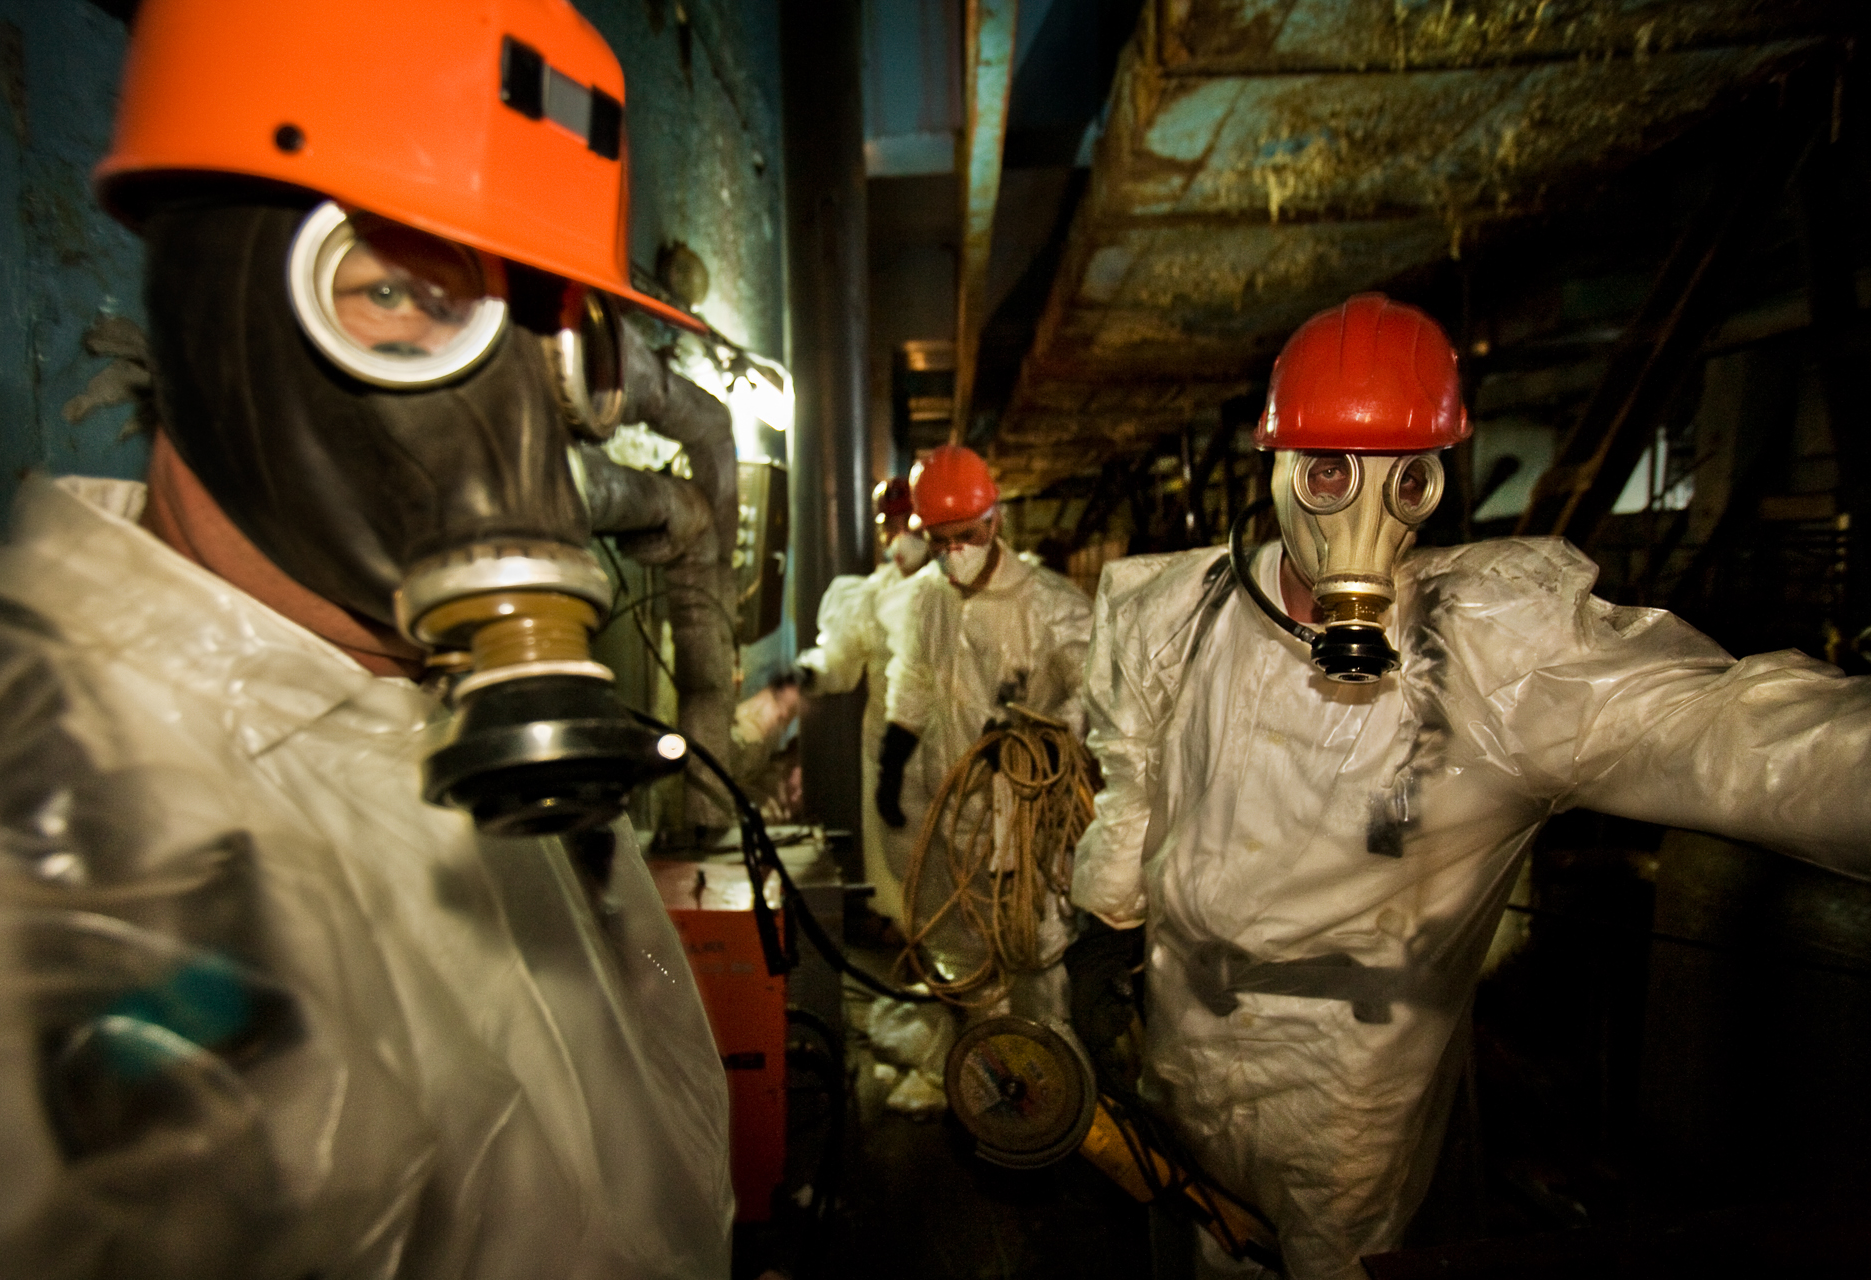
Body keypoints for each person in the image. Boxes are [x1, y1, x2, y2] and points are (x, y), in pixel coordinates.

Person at [0, 2, 733, 1276]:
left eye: (557, 347)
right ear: (213, 309)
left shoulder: (463, 723)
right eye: (396, 294)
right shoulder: (47, 832)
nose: (506, 431)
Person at [1071, 292, 1871, 1279]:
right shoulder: (1177, 611)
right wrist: (1105, 919)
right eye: (1327, 471)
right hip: (1179, 1036)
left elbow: (1738, 736)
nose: (1358, 516)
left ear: (1435, 482)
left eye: (1402, 480)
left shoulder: (1496, 648)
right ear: (1272, 463)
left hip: (1351, 1087)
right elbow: (1131, 769)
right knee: (1200, 1246)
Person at [879, 445, 1093, 1016]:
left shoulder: (1048, 605)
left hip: (1024, 813)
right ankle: (985, 1076)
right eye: (941, 538)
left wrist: (1043, 737)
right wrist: (895, 747)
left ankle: (1046, 1072)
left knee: (1033, 946)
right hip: (952, 808)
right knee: (963, 946)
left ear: (995, 521)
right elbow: (917, 673)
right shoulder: (929, 595)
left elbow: (1097, 688)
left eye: (967, 535)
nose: (954, 552)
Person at [797, 477, 927, 921]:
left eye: (905, 524)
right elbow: (842, 660)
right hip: (886, 743)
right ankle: (914, 945)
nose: (897, 538)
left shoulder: (953, 590)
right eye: (888, 527)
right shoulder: (872, 594)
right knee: (894, 853)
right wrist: (811, 671)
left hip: (948, 740)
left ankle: (957, 959)